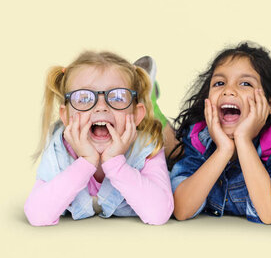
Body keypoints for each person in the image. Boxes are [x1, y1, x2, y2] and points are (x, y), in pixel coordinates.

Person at [25, 51, 174, 226]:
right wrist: (85, 163)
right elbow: (37, 215)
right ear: (65, 116)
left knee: (175, 144)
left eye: (117, 97)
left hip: (160, 139)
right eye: (83, 98)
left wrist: (115, 164)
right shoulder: (58, 151)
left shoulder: (146, 147)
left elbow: (159, 214)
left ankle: (151, 101)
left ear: (135, 114)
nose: (101, 107)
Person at [169, 42, 271, 225]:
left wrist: (243, 140)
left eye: (245, 84)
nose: (228, 90)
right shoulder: (199, 135)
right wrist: (223, 150)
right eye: (219, 83)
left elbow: (270, 213)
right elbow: (182, 210)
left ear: (270, 105)